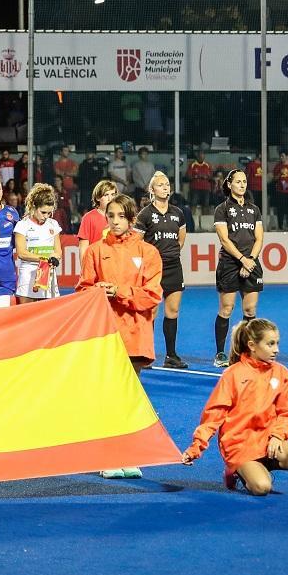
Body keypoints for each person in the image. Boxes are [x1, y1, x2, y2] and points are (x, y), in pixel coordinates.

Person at [76, 192, 162, 479]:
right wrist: (97, 290)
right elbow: (82, 290)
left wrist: (120, 292)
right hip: (106, 331)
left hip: (136, 331)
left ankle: (127, 455)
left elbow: (153, 295)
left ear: (131, 219)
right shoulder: (94, 251)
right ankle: (108, 456)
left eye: (120, 216)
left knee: (129, 395)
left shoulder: (148, 252)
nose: (114, 221)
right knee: (110, 393)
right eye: (110, 216)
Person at [182, 318, 288, 496]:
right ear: (252, 345)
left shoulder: (281, 372)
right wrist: (196, 447)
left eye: (277, 343)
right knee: (262, 488)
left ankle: (258, 466)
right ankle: (236, 470)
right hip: (239, 444)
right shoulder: (233, 374)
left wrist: (278, 435)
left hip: (266, 438)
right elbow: (214, 414)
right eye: (270, 344)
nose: (276, 349)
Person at [213, 169, 264, 368]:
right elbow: (224, 240)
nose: (242, 185)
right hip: (230, 263)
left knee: (250, 310)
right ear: (229, 184)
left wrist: (250, 259)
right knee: (227, 309)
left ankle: (245, 352)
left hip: (251, 262)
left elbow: (259, 238)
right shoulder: (222, 209)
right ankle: (220, 354)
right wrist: (242, 259)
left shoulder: (254, 209)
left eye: (244, 181)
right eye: (238, 181)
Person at [137, 172, 188, 369]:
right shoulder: (145, 214)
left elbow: (181, 238)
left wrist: (172, 253)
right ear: (152, 190)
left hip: (174, 266)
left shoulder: (178, 212)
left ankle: (171, 356)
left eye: (167, 184)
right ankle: (146, 353)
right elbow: (137, 243)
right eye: (160, 185)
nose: (165, 187)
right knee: (152, 312)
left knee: (173, 310)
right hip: (152, 268)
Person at [12, 183, 62, 304]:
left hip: (48, 275)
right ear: (34, 206)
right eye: (43, 212)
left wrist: (55, 258)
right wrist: (44, 259)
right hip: (29, 276)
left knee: (49, 316)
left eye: (49, 213)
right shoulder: (23, 225)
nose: (46, 216)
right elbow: (22, 253)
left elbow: (58, 250)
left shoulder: (53, 224)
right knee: (26, 316)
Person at [77, 179, 118, 261]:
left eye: (113, 194)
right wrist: (85, 270)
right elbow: (83, 248)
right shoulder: (89, 218)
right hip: (96, 264)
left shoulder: (121, 216)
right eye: (106, 195)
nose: (110, 198)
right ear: (98, 198)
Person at [187, 150, 214, 221]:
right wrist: (197, 176)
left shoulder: (207, 165)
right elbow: (188, 176)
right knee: (193, 204)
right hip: (195, 188)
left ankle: (205, 223)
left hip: (206, 189)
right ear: (197, 156)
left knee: (206, 205)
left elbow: (211, 177)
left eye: (202, 155)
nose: (201, 157)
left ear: (204, 156)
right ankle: (191, 222)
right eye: (200, 155)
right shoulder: (192, 165)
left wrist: (206, 177)